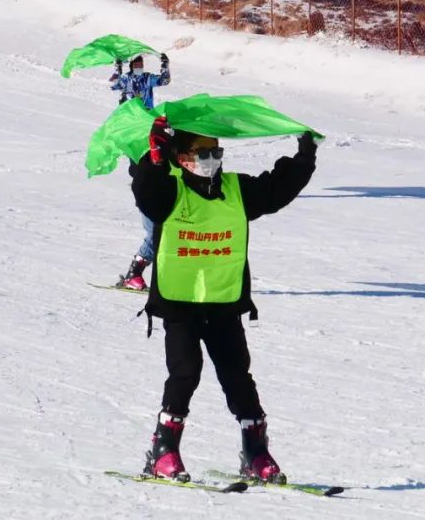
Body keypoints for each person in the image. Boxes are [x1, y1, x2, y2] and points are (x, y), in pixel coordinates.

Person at [130, 116, 317, 483]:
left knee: (237, 376)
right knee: (185, 372)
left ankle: (256, 453)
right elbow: (147, 196)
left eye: (215, 151)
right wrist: (153, 158)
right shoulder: (171, 191)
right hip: (180, 304)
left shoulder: (235, 190)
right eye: (201, 153)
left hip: (223, 301)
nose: (211, 159)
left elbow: (276, 191)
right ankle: (163, 451)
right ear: (182, 158)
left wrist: (304, 157)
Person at [110, 53, 171, 290]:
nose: (139, 67)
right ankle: (134, 274)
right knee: (157, 234)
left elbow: (164, 81)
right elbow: (114, 84)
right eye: (136, 64)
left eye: (141, 64)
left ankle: (154, 274)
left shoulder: (146, 78)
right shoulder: (127, 79)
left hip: (146, 120)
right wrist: (117, 67)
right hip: (132, 123)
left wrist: (165, 65)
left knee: (162, 234)